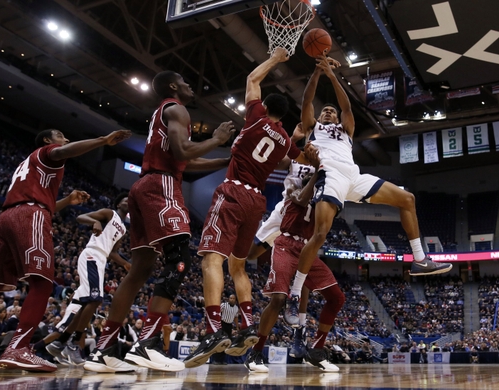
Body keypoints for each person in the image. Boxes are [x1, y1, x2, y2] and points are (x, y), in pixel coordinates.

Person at [83, 70, 235, 374]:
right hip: (161, 186)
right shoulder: (177, 108)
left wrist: (224, 159)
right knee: (178, 259)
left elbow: (185, 159)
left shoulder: (164, 113)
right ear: (172, 86)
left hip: (143, 187)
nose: (191, 85)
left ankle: (105, 349)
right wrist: (216, 139)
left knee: (139, 271)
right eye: (185, 81)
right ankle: (148, 342)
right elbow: (183, 151)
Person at [285, 53, 452, 324]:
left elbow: (347, 107)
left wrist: (332, 76)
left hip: (353, 176)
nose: (328, 112)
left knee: (407, 198)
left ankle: (420, 259)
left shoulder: (346, 129)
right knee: (319, 235)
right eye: (324, 110)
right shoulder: (312, 128)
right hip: (330, 175)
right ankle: (294, 293)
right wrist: (317, 73)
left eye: (331, 111)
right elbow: (306, 101)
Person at [183, 47, 318, 368]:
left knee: (211, 259)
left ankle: (215, 329)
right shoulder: (284, 140)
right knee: (238, 267)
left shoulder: (256, 115)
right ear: (284, 116)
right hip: (257, 201)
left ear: (266, 107)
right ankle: (246, 327)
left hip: (233, 191)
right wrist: (295, 138)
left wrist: (275, 59)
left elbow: (252, 78)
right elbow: (290, 159)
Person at [0, 127, 131, 372]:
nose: (66, 138)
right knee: (42, 283)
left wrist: (67, 201)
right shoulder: (46, 152)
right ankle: (20, 348)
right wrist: (103, 140)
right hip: (30, 214)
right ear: (47, 140)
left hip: (8, 218)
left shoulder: (27, 167)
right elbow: (64, 152)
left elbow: (46, 205)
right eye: (60, 135)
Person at [243, 158, 343, 373]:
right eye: (310, 180)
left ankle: (316, 350)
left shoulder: (324, 201)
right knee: (278, 298)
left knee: (337, 298)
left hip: (307, 250)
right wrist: (317, 174)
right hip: (286, 245)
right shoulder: (295, 192)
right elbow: (301, 197)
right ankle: (256, 352)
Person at [38, 193, 131, 366]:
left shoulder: (123, 228)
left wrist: (125, 264)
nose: (128, 202)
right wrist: (94, 222)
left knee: (90, 301)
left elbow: (112, 252)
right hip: (92, 254)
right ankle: (72, 343)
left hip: (101, 260)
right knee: (96, 299)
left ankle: (61, 343)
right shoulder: (109, 213)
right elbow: (81, 217)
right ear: (119, 203)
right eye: (125, 199)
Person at [212, 294, 239, 365]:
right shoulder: (224, 305)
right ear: (228, 299)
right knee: (219, 342)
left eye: (233, 298)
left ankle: (222, 360)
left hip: (229, 326)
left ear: (235, 300)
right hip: (222, 324)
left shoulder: (236, 308)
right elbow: (218, 313)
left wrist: (237, 326)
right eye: (230, 298)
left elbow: (236, 318)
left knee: (226, 343)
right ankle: (216, 360)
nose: (232, 299)